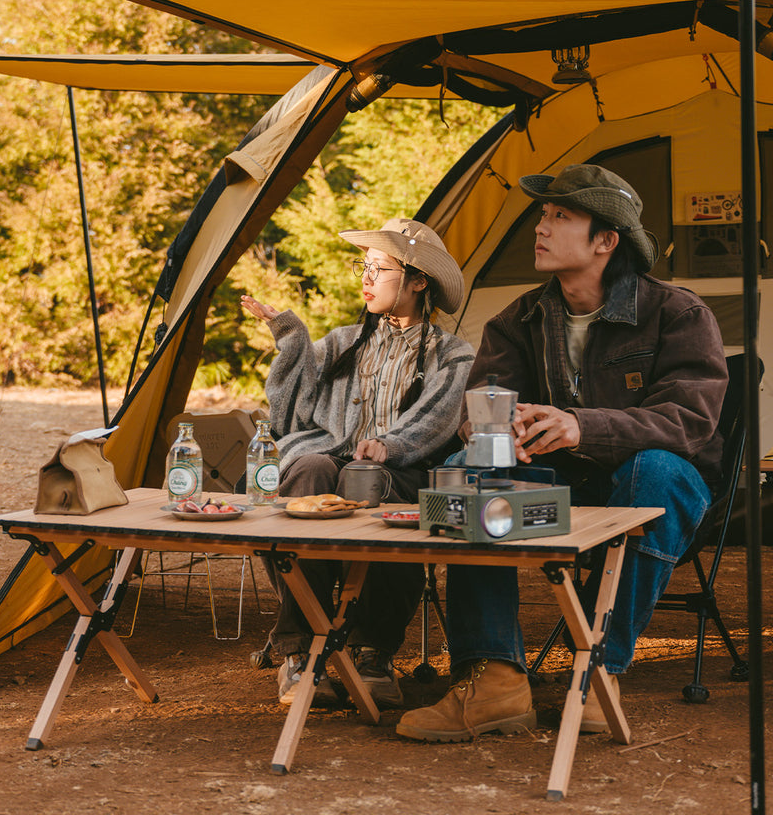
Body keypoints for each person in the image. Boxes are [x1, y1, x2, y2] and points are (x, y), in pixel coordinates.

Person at [396, 164, 728, 743]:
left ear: (605, 241)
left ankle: (600, 667)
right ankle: (495, 678)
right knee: (471, 475)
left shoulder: (677, 313)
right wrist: (505, 426)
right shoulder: (517, 319)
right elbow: (480, 412)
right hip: (556, 494)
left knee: (654, 470)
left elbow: (689, 422)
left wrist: (582, 426)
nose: (540, 228)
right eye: (543, 216)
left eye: (560, 217)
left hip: (657, 494)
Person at [242, 218, 474, 709]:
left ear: (417, 281)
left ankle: (372, 650)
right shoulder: (342, 343)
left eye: (380, 269)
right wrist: (291, 341)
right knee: (308, 471)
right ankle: (301, 646)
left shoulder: (450, 353)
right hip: (332, 456)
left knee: (366, 478)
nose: (366, 280)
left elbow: (439, 418)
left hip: (407, 468)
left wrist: (390, 445)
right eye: (364, 268)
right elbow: (288, 416)